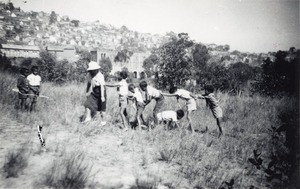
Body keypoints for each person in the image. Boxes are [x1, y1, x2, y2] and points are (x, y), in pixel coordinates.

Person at [82, 61, 107, 125]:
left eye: (94, 70)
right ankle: (88, 118)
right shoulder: (89, 75)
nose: (92, 72)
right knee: (87, 104)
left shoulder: (100, 75)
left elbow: (102, 86)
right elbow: (89, 83)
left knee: (102, 109)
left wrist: (102, 96)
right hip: (94, 92)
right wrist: (87, 92)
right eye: (91, 70)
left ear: (96, 70)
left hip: (101, 91)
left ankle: (103, 122)